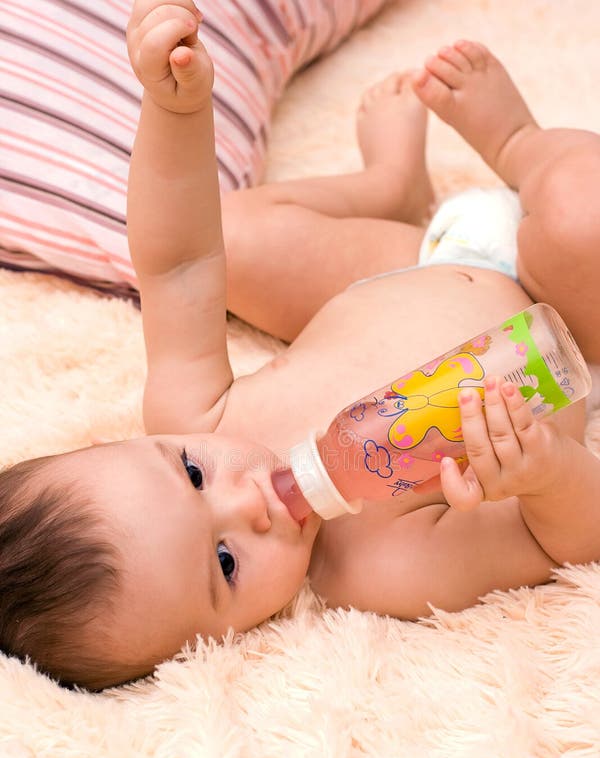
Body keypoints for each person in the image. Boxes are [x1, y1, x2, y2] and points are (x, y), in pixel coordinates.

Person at [1, 1, 600, 691]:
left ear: (134, 445)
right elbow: (560, 543)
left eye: (193, 475)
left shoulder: (197, 414)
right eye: (225, 564)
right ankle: (520, 141)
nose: (248, 502)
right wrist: (545, 475)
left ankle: (385, 185)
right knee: (584, 215)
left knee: (236, 235)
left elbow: (179, 263)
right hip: (560, 321)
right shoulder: (379, 570)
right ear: (210, 646)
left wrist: (177, 112)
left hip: (416, 258)